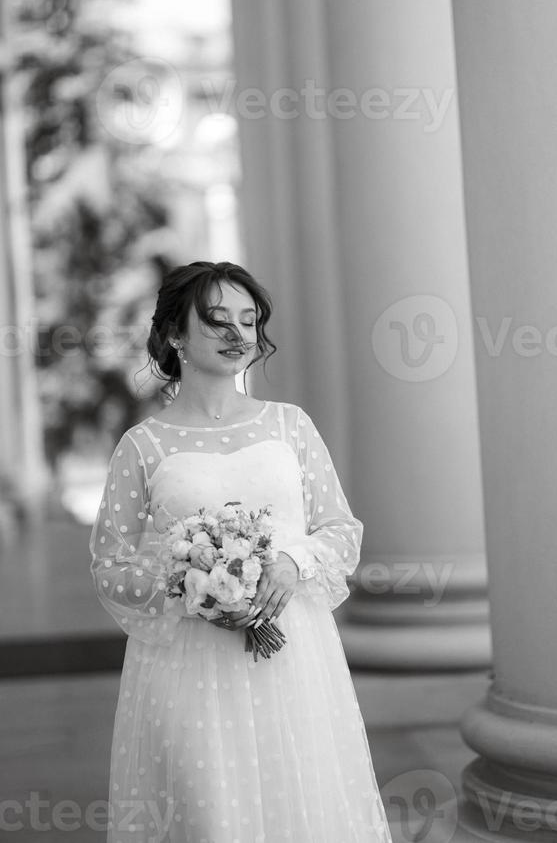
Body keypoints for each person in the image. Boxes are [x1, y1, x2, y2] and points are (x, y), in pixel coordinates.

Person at [89, 260, 393, 842]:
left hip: (293, 656)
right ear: (175, 334)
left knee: (301, 803)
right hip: (188, 663)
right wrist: (186, 584)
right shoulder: (143, 445)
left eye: (249, 321)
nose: (238, 335)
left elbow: (340, 528)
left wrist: (290, 561)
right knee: (208, 810)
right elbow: (109, 563)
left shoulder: (290, 425)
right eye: (217, 320)